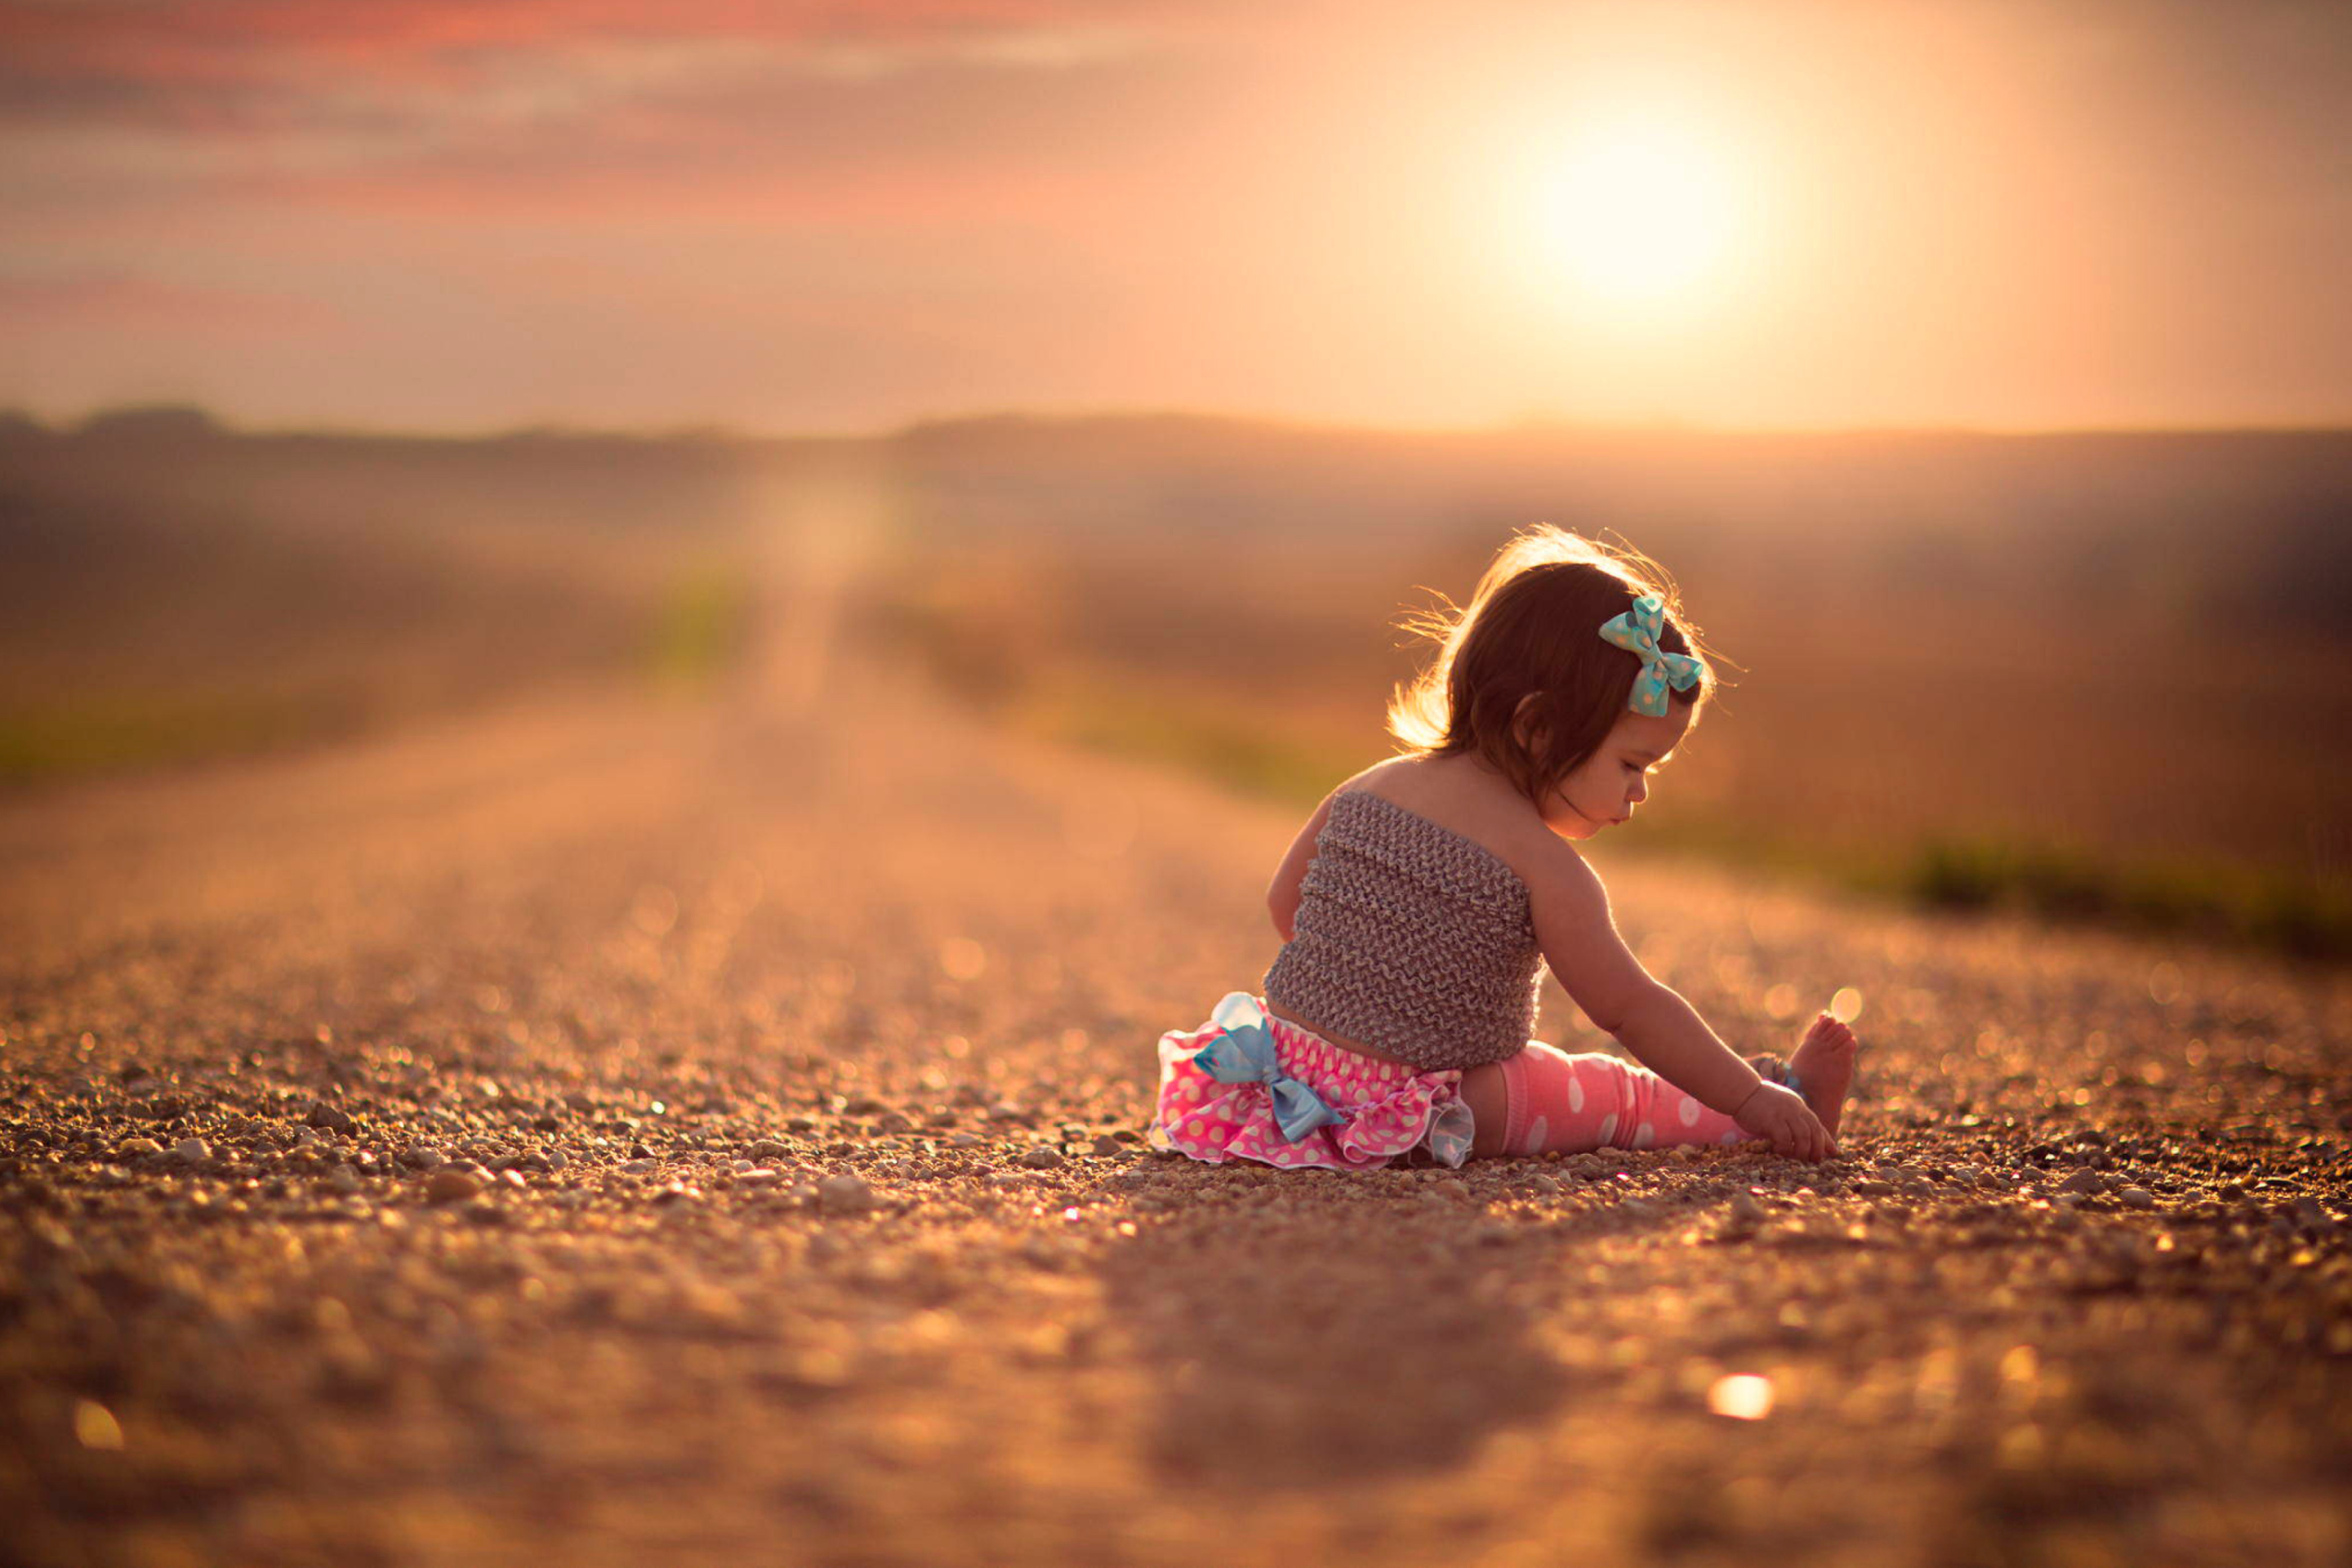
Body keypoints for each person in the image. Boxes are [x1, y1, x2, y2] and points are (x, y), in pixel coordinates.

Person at [1150, 525, 1859, 1171]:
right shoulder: (1546, 866)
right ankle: (1765, 1103)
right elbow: (1632, 1009)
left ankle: (1763, 1082)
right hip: (1418, 1115)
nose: (1638, 795)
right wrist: (1748, 1097)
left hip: (1285, 1081)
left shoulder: (1370, 785)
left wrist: (1370, 985)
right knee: (1603, 1090)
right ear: (1539, 729)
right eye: (1632, 766)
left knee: (1547, 1067)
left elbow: (1287, 908)